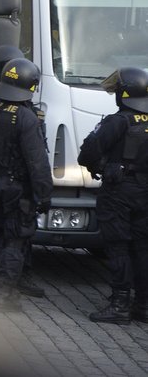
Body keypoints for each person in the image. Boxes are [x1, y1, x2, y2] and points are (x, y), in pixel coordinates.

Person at [0, 58, 52, 312]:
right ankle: (4, 296)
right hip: (18, 190)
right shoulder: (26, 117)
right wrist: (44, 195)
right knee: (15, 240)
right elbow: (37, 162)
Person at [78, 67, 148, 324]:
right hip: (145, 193)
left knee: (118, 247)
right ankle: (143, 306)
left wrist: (103, 167)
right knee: (142, 249)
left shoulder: (117, 122)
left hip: (119, 193)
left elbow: (87, 153)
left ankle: (119, 304)